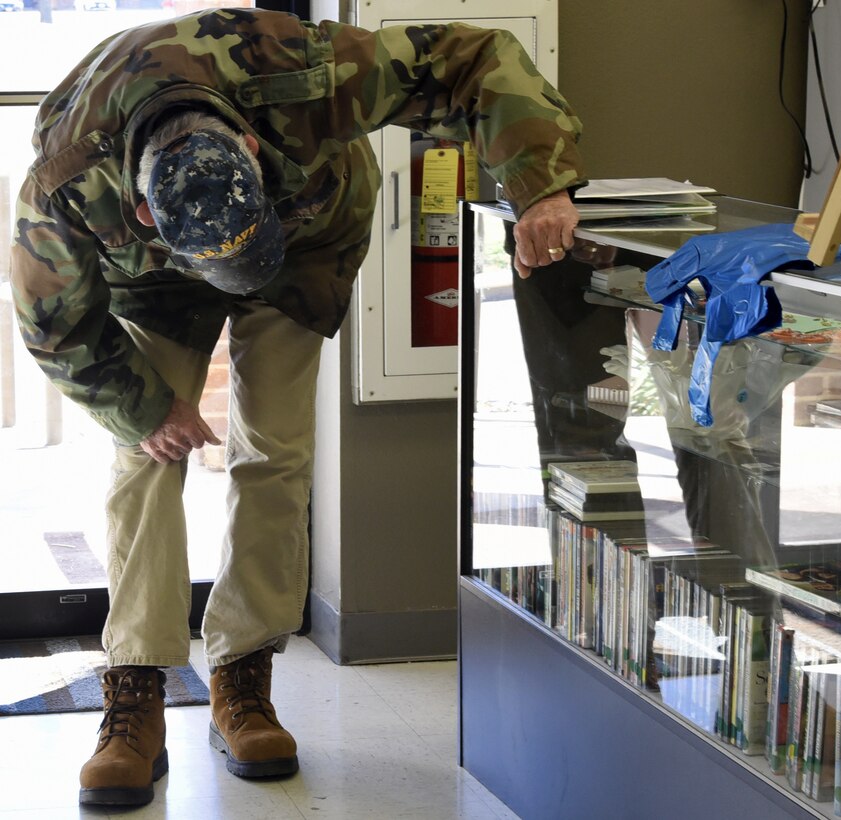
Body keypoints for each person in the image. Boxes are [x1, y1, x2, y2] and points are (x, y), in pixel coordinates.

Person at [9, 8, 585, 807]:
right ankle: (134, 692)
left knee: (274, 448)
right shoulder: (68, 180)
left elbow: (472, 56)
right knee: (145, 454)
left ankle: (242, 677)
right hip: (153, 275)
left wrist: (539, 181)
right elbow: (53, 326)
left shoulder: (305, 73)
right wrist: (146, 409)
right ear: (143, 211)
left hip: (301, 236)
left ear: (249, 145)